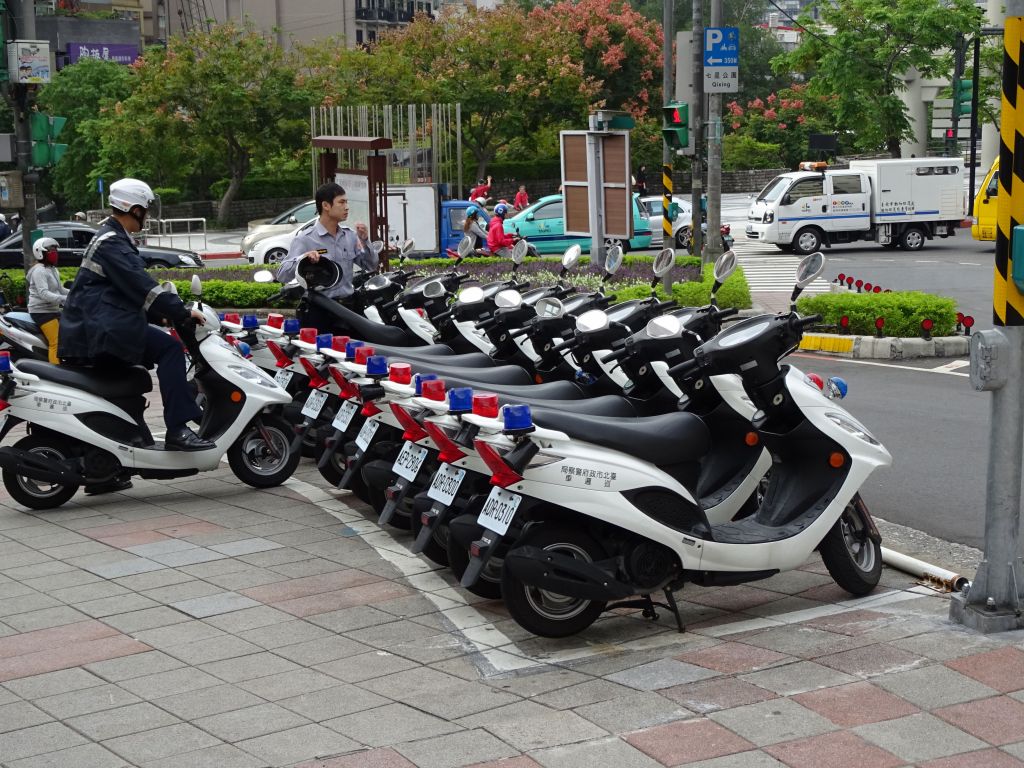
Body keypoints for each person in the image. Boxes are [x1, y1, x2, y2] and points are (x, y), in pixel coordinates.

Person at [58, 177, 214, 462]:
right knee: (170, 349)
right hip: (103, 329)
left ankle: (107, 465)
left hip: (100, 326)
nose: (148, 215)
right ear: (135, 209)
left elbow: (128, 291)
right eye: (146, 208)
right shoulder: (112, 243)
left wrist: (161, 316)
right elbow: (142, 285)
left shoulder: (112, 238)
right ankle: (178, 429)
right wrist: (180, 312)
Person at [277, 182, 380, 330]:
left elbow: (370, 265)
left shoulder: (349, 235)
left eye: (347, 202)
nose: (347, 207)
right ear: (326, 206)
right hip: (320, 311)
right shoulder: (305, 238)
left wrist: (365, 240)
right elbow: (282, 274)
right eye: (341, 202)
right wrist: (303, 259)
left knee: (356, 351)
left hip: (348, 309)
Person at [27, 237, 68, 364]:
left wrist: (77, 293)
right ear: (41, 253)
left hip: (53, 309)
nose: (55, 253)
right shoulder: (39, 270)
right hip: (41, 312)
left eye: (56, 250)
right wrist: (64, 299)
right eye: (51, 251)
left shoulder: (52, 269)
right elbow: (44, 293)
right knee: (55, 342)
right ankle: (56, 373)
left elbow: (60, 289)